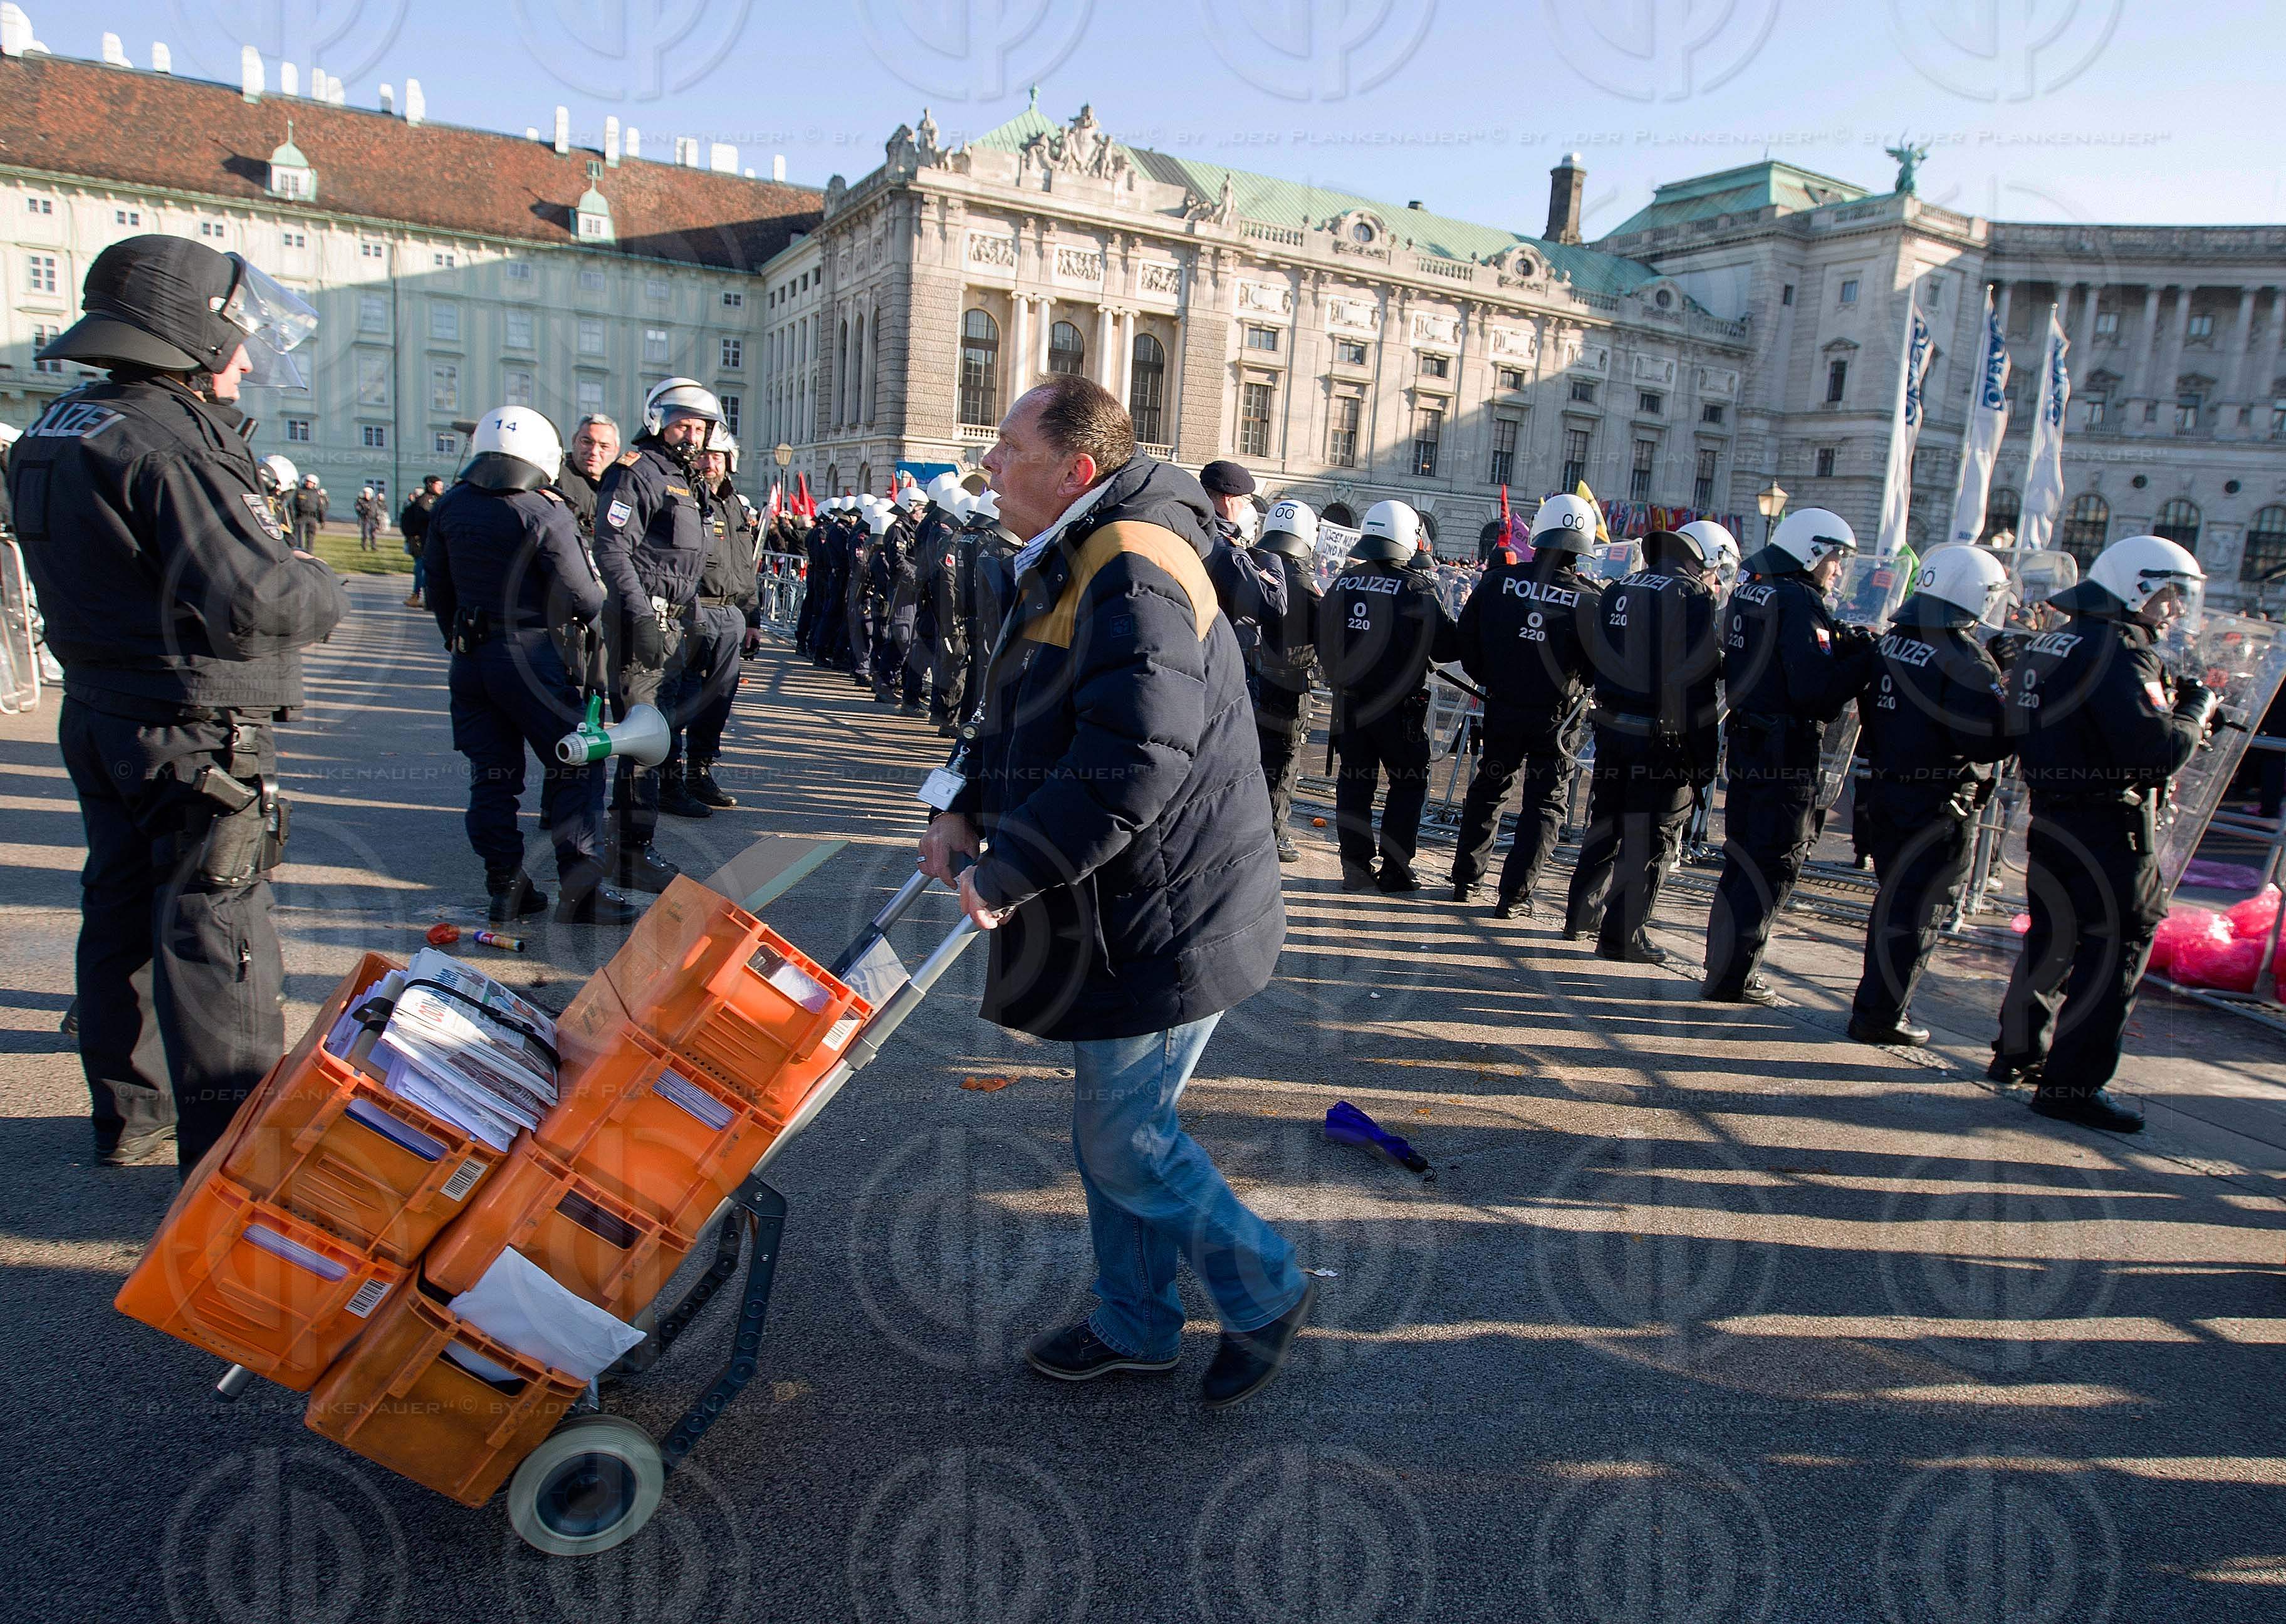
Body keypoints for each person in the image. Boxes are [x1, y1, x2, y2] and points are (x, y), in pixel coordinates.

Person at [916, 375, 1308, 1411]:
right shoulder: (1080, 542)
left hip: (1166, 905)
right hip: (1121, 898)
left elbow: (1137, 753)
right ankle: (1135, 1321)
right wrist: (957, 797)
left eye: (1006, 449)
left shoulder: (1130, 562)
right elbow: (1007, 693)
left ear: (1075, 470)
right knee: (1117, 1125)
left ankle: (1262, 1284)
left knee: (1124, 1134)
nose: (987, 466)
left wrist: (1011, 869)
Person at [7, 234, 345, 1172]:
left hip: (104, 710)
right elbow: (262, 598)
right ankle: (234, 1163)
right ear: (180, 332)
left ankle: (133, 1114)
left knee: (120, 905)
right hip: (195, 725)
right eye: (232, 338)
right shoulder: (168, 443)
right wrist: (318, 581)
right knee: (219, 934)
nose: (243, 358)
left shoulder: (62, 426)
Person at [1993, 534, 2215, 1132]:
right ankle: (2073, 1085)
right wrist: (2197, 710)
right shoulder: (2120, 649)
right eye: (2167, 594)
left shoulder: (2055, 639)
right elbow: (2155, 750)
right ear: (2138, 587)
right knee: (2115, 949)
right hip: (2108, 825)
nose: (2172, 608)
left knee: (2053, 939)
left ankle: (2019, 1051)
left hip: (2053, 814)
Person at [423, 407, 637, 927]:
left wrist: (465, 638)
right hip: (533, 657)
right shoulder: (545, 512)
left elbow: (439, 593)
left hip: (471, 658)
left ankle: (506, 887)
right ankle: (582, 892)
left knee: (492, 777)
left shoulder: (450, 506)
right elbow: (587, 596)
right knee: (576, 764)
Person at [1702, 508, 1879, 1004]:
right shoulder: (1800, 600)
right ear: (1814, 550)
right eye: (1836, 559)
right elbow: (1814, 690)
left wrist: (1840, 641)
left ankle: (1720, 964)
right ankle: (1736, 975)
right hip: (1786, 750)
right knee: (1775, 860)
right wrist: (1865, 660)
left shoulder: (1754, 588)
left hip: (1749, 742)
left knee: (1741, 856)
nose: (1838, 570)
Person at [1846, 545, 2015, 1047]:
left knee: (1892, 902)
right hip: (1938, 803)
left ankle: (1873, 1006)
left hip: (1887, 791)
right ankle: (1881, 1015)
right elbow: (1986, 739)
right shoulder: (1964, 658)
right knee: (1920, 911)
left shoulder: (1894, 641)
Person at [1565, 523, 1728, 960]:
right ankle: (1623, 937)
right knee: (1650, 839)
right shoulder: (1692, 595)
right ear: (1705, 560)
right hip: (1660, 739)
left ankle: (1580, 917)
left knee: (1604, 827)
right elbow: (1694, 685)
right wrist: (1704, 759)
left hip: (1613, 727)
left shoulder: (1622, 586)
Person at [591, 376, 721, 892]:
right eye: (681, 424)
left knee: (657, 736)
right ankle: (628, 851)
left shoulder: (686, 481)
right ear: (658, 422)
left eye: (699, 428)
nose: (691, 435)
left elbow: (684, 563)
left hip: (671, 625)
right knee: (642, 740)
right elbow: (613, 549)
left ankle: (632, 844)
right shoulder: (638, 472)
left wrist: (693, 622)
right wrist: (642, 616)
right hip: (641, 624)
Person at [1450, 494, 1605, 917]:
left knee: (1488, 789)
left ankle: (1466, 879)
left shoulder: (1498, 581)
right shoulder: (1591, 600)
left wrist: (1490, 679)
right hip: (1556, 717)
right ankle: (1514, 896)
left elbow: (1467, 638)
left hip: (1502, 705)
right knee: (1545, 803)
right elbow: (1600, 667)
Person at [1318, 499, 1461, 892]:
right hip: (1399, 708)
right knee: (1409, 783)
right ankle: (1397, 869)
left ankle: (1356, 869)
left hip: (1350, 703)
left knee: (1355, 782)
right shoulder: (1417, 589)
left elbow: (1322, 638)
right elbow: (1449, 648)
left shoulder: (1343, 582)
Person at [659, 422, 761, 815]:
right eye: (703, 454)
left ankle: (698, 774)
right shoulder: (684, 495)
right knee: (681, 698)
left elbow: (744, 564)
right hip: (693, 610)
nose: (708, 462)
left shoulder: (733, 503)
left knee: (718, 701)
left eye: (716, 456)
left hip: (730, 612)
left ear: (729, 461)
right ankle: (667, 780)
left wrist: (751, 618)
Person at [1250, 498, 1324, 861]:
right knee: (1283, 762)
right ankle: (1276, 835)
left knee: (1253, 756)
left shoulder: (1252, 566)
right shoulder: (1306, 585)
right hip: (1290, 685)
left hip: (1252, 677)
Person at [555, 412, 620, 543]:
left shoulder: (623, 484)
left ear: (616, 450)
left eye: (604, 446)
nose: (594, 451)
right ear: (574, 441)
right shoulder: (555, 475)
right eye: (587, 442)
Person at [399, 474, 443, 608]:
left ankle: (425, 597)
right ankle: (417, 595)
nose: (441, 487)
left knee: (427, 568)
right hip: (421, 541)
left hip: (430, 540)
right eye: (438, 485)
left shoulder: (436, 499)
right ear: (430, 485)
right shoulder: (424, 500)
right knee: (422, 567)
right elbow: (424, 519)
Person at [287, 474, 328, 552]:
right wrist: (292, 517)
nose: (308, 484)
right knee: (298, 536)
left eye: (311, 482)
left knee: (311, 536)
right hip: (301, 517)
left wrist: (322, 520)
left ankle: (309, 553)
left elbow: (320, 508)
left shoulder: (317, 494)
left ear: (315, 484)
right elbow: (292, 505)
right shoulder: (299, 492)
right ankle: (298, 551)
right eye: (307, 481)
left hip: (312, 517)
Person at [353, 485, 382, 551]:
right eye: (365, 493)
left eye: (368, 494)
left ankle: (374, 547)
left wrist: (378, 520)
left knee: (373, 534)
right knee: (365, 534)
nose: (366, 495)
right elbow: (358, 509)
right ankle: (364, 546)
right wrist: (364, 511)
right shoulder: (361, 501)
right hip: (365, 519)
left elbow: (376, 511)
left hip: (373, 520)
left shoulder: (374, 502)